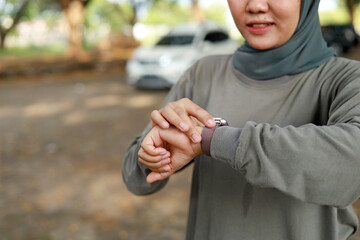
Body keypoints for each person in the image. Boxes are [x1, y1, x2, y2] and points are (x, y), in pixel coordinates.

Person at [122, 0, 360, 239]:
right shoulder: (203, 75)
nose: (255, 5)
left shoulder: (345, 80)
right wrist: (155, 156)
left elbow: (352, 164)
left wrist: (212, 140)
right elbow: (136, 179)